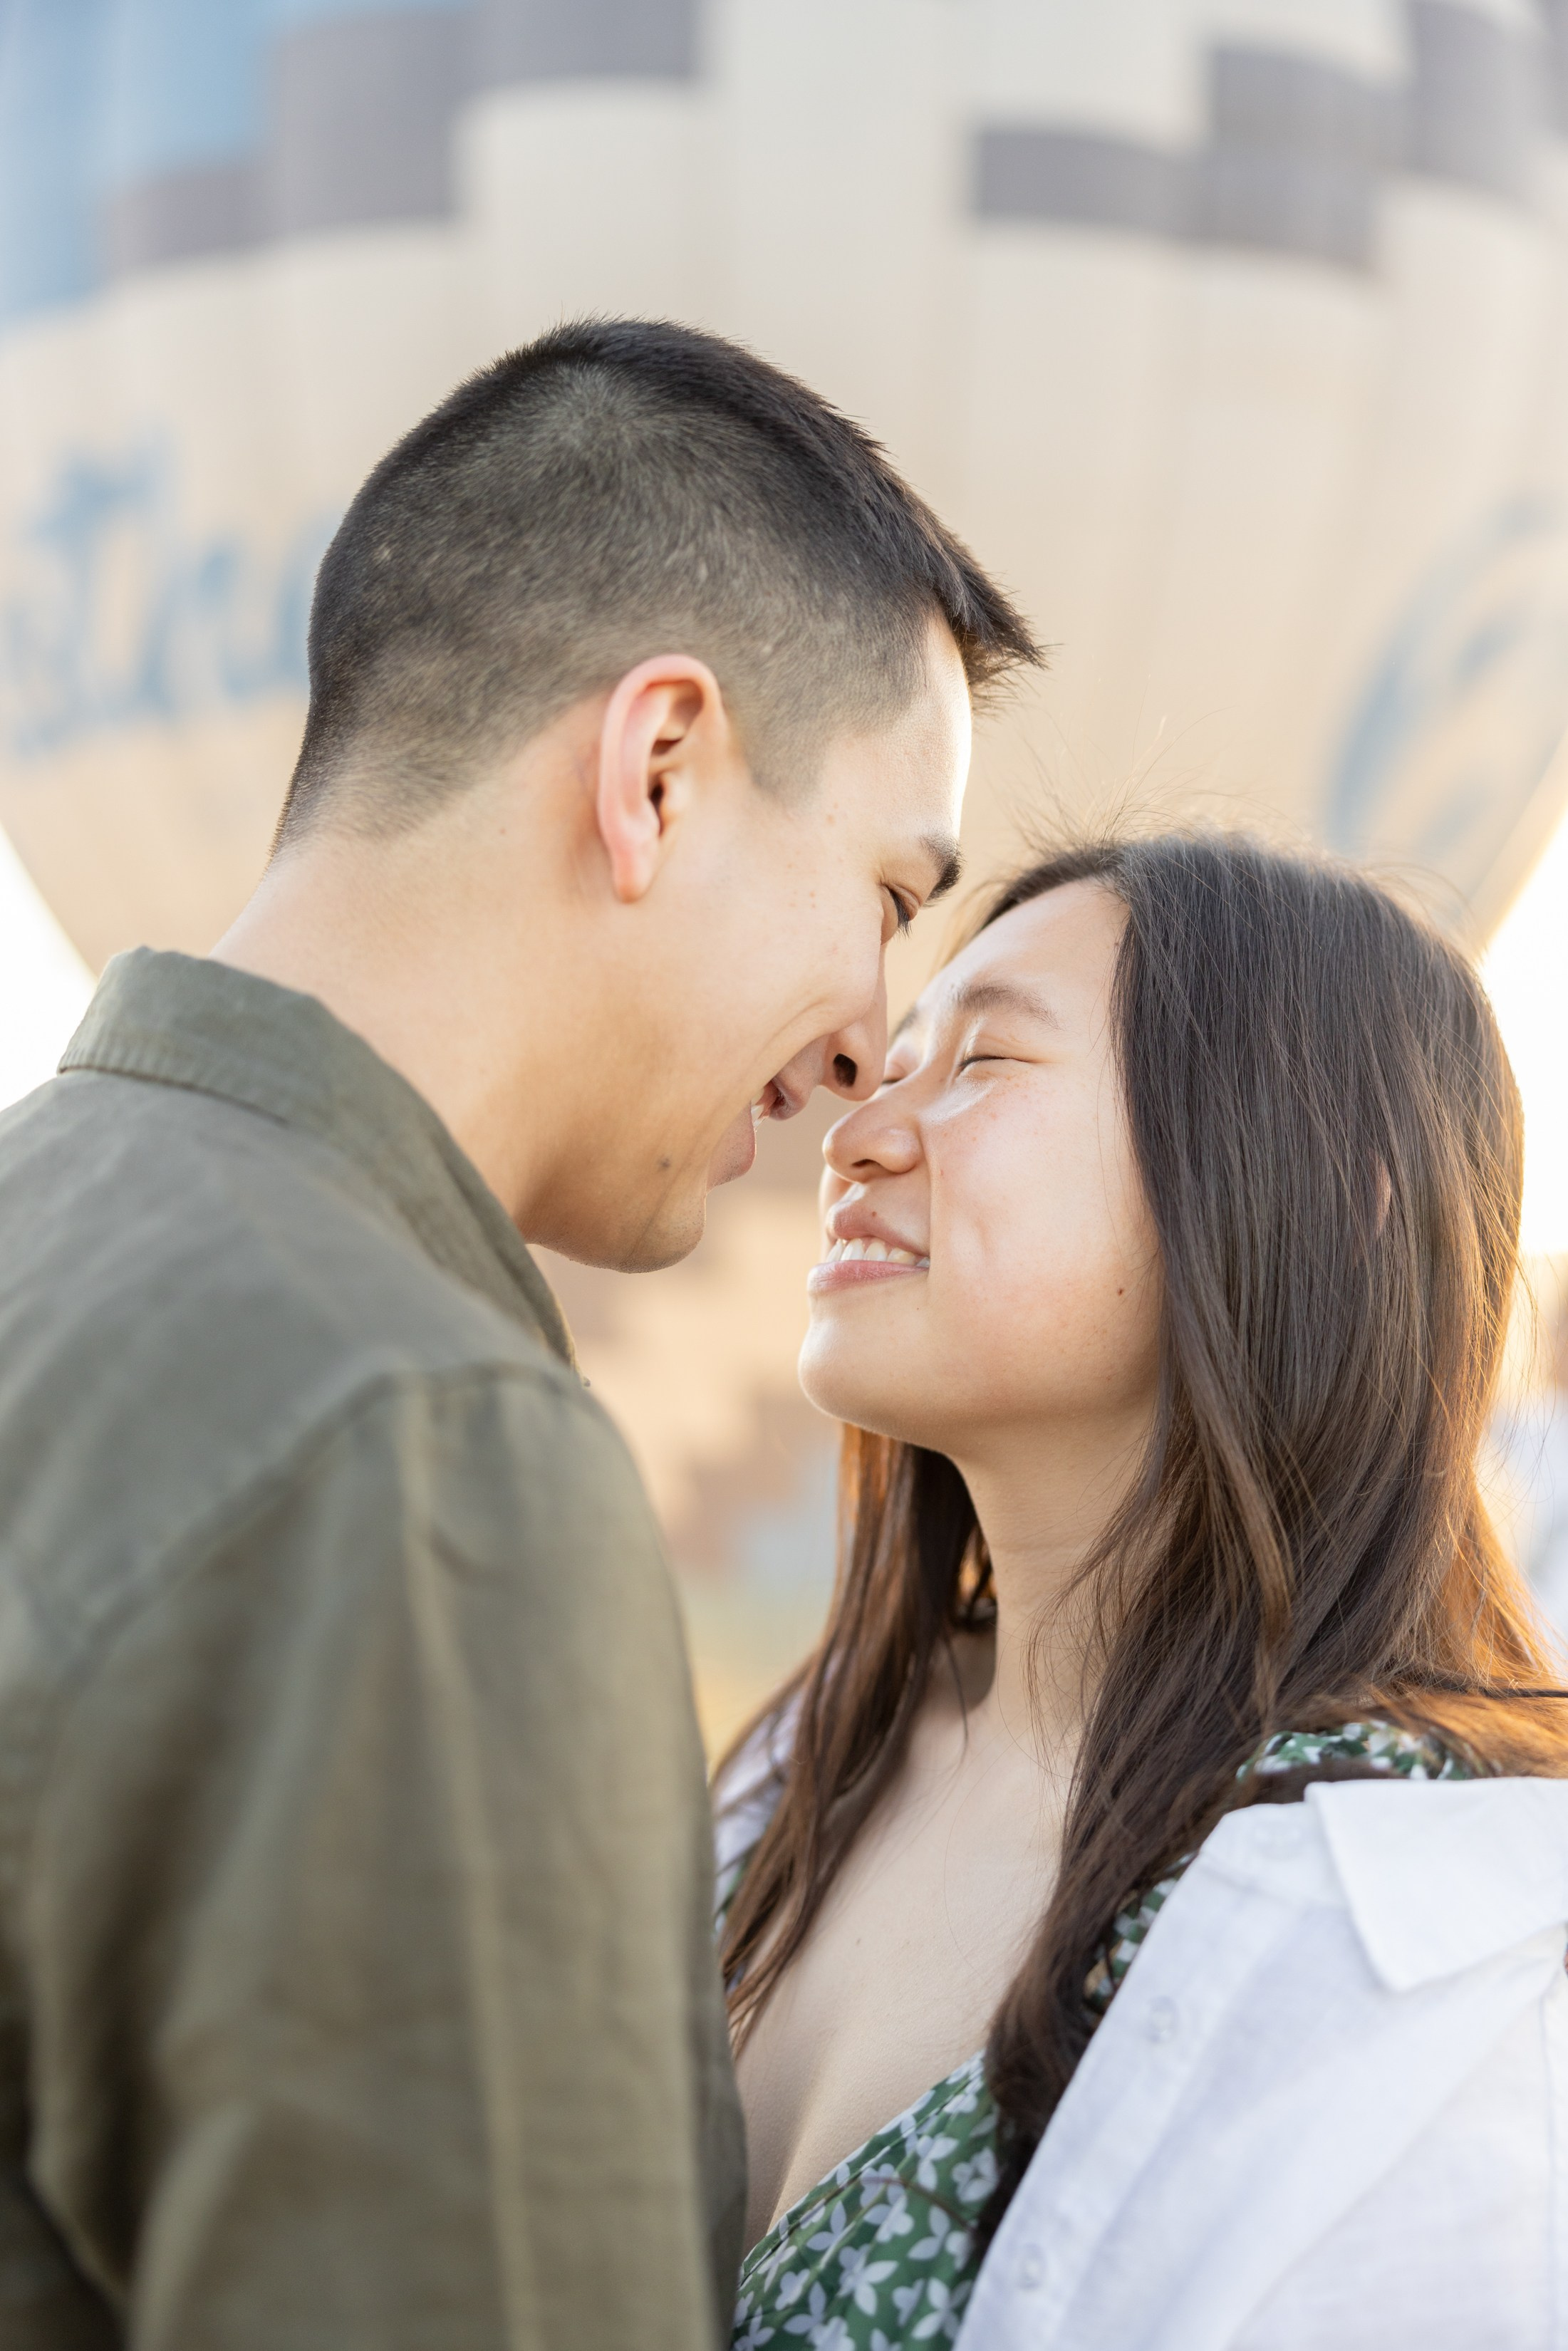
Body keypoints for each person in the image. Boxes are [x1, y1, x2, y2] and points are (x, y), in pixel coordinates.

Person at [0, 318, 1037, 2350]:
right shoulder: (414, 1445)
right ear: (656, 769)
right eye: (888, 895)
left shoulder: (52, 1234)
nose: (863, 1041)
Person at [719, 834, 1568, 2351]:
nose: (858, 1132)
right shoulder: (812, 1756)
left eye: (981, 1061)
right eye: (893, 1059)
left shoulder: (1442, 1969)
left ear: (1330, 1180)